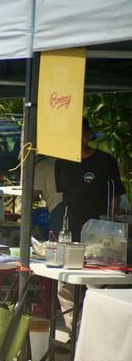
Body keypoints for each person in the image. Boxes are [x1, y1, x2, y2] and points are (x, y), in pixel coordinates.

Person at [54, 118, 125, 333]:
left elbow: (116, 197)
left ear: (88, 134)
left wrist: (110, 227)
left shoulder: (105, 161)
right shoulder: (62, 162)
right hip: (70, 232)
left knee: (96, 285)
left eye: (83, 133)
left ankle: (96, 332)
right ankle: (75, 332)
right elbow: (63, 196)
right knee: (65, 285)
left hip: (99, 234)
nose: (79, 138)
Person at [33, 155, 63, 237]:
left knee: (56, 241)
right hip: (71, 202)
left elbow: (34, 194)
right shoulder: (59, 160)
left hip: (56, 205)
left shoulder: (40, 165)